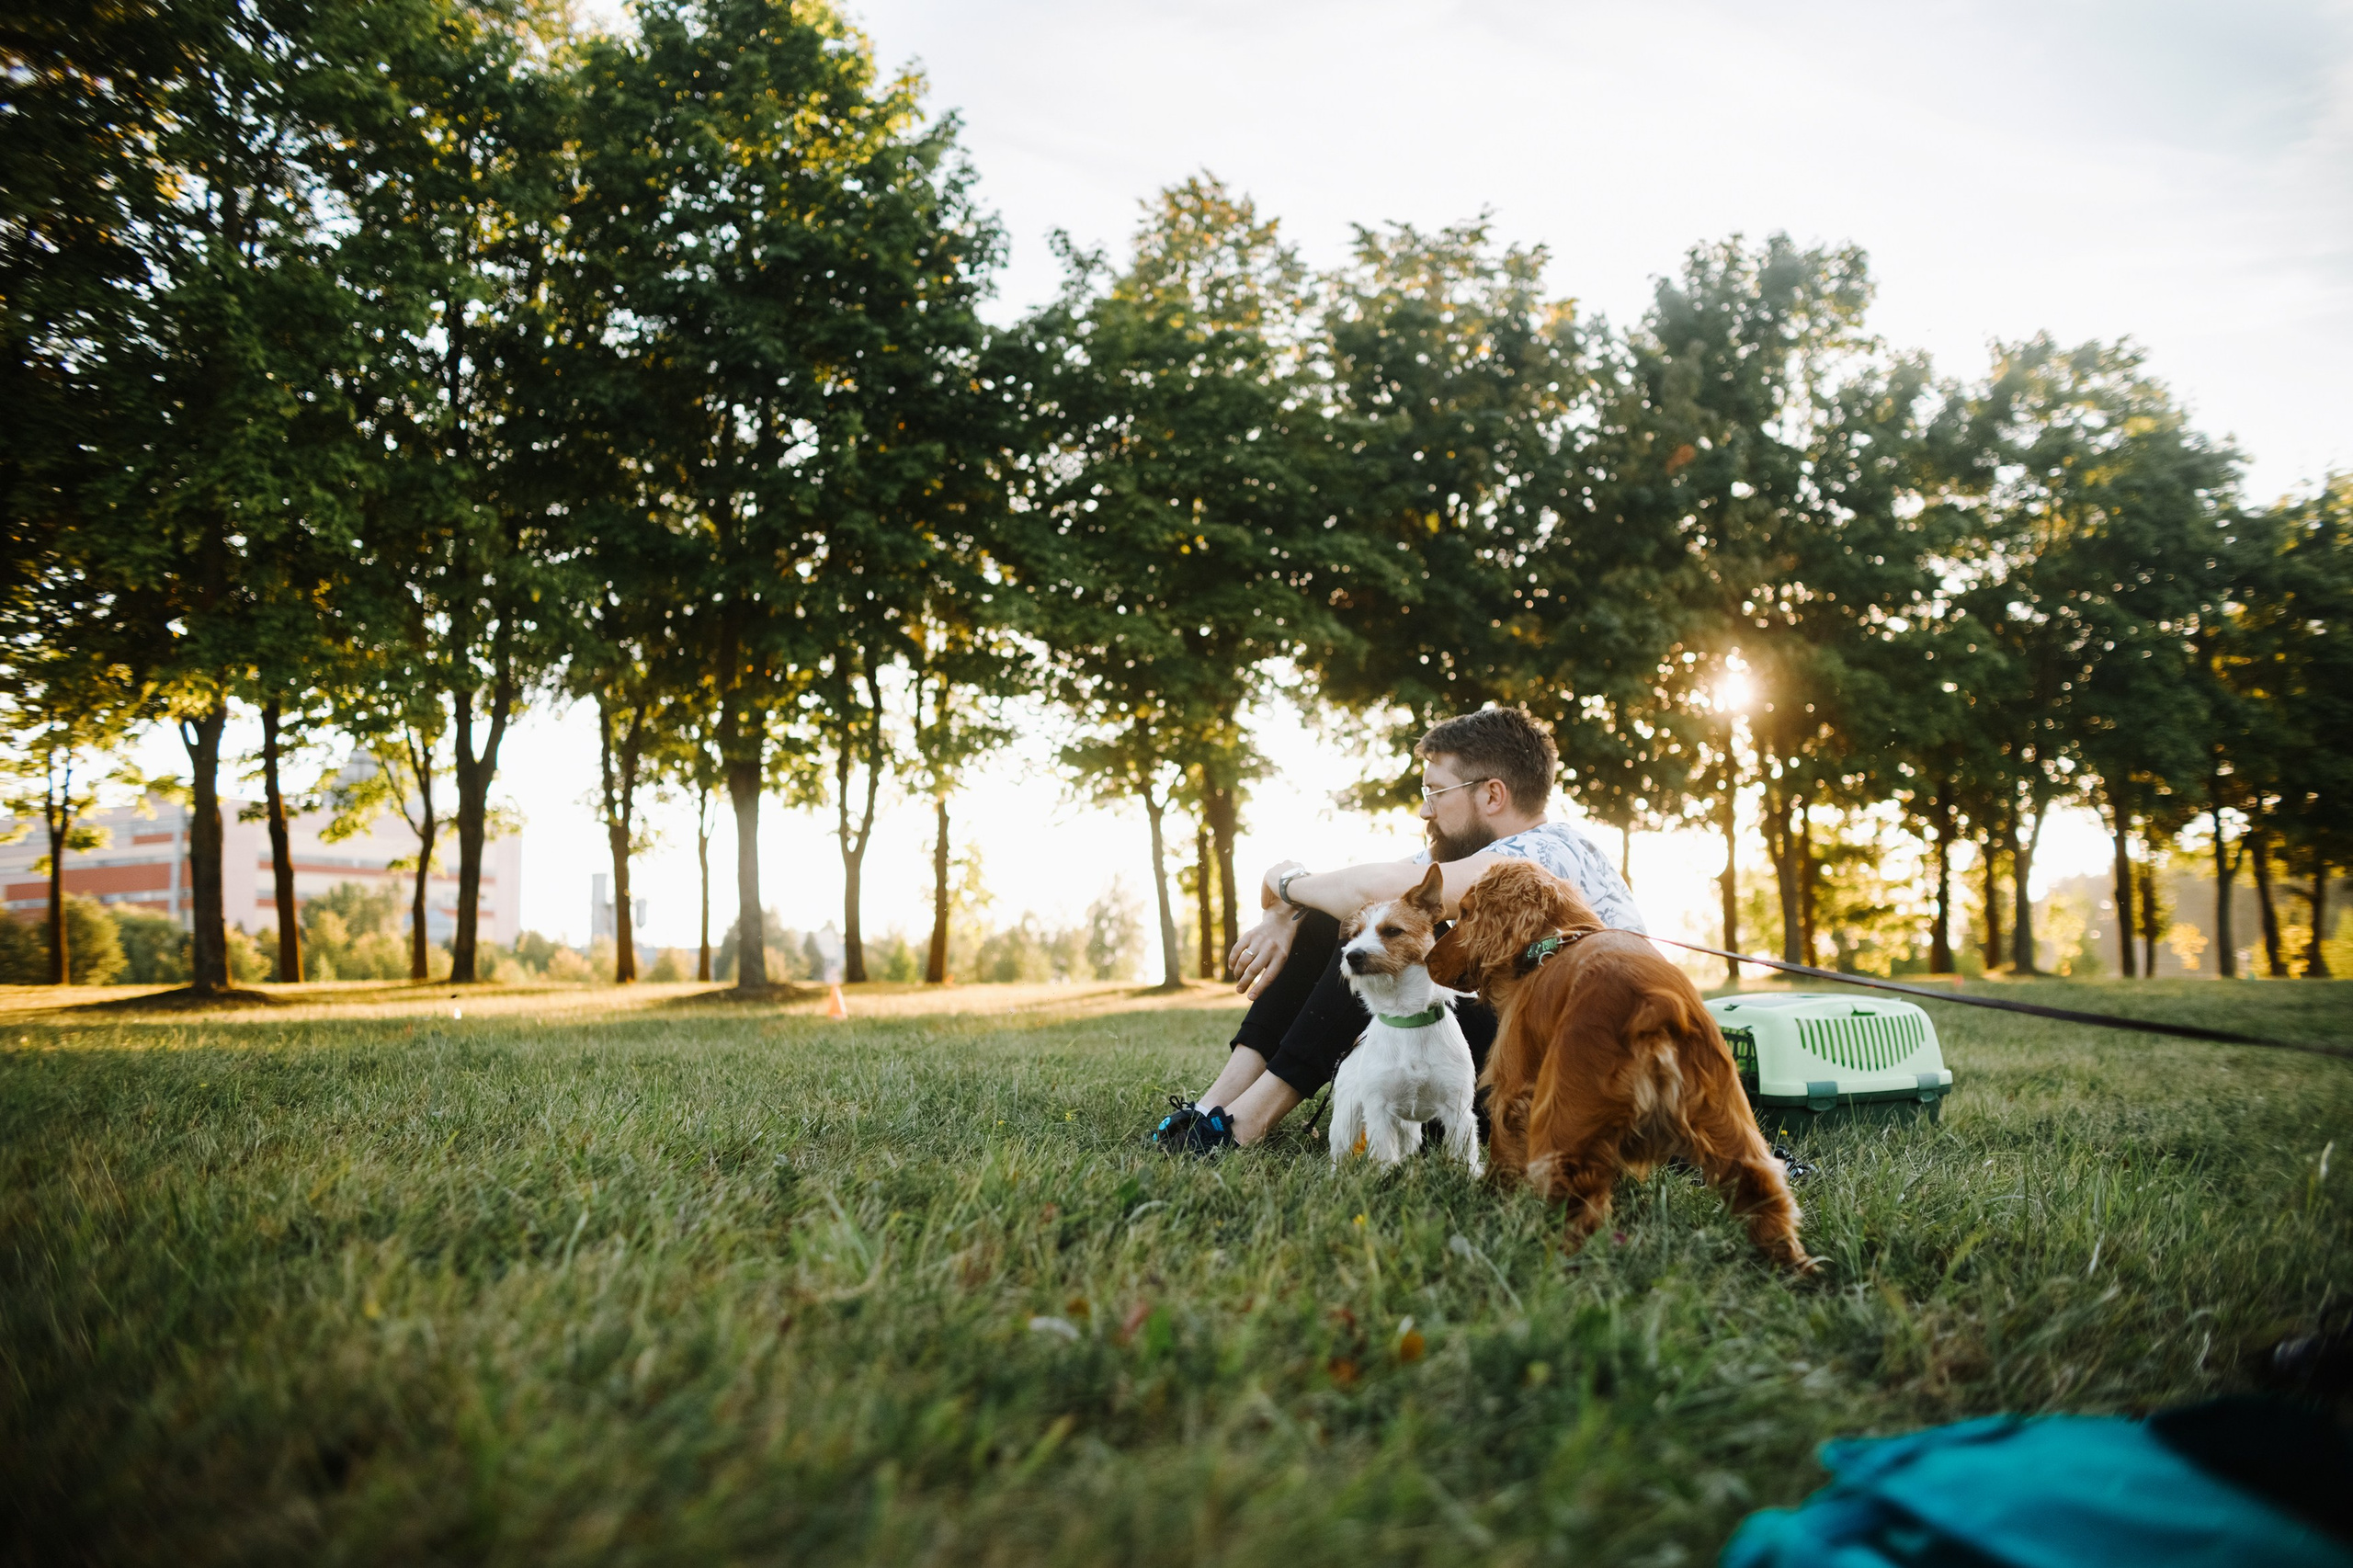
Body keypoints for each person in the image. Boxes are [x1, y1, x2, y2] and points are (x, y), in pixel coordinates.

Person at [1151, 706, 1647, 1153]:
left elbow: (1369, 889)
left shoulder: (1545, 851)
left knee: (1379, 940)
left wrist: (1284, 885)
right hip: (1511, 1058)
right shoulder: (1469, 859)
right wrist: (1281, 914)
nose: (1425, 810)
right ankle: (1211, 1107)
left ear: (1492, 794)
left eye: (1436, 792)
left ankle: (1244, 1125)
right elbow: (1346, 894)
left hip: (1569, 1082)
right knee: (1348, 922)